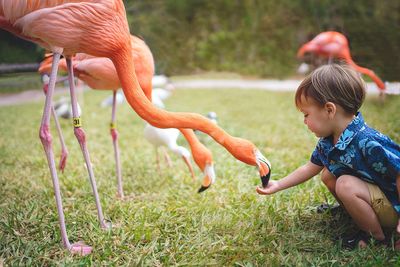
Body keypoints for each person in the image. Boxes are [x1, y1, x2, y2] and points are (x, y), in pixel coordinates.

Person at [257, 63, 400, 249]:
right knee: (328, 174)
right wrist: (278, 184)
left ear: (329, 110)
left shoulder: (367, 141)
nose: (304, 121)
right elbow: (310, 167)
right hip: (378, 198)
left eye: (306, 114)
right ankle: (356, 214)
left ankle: (375, 238)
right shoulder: (328, 141)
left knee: (345, 184)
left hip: (394, 204)